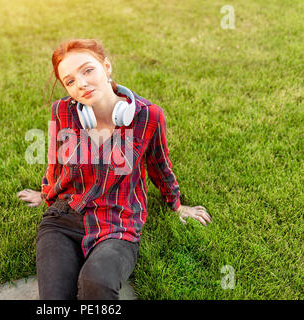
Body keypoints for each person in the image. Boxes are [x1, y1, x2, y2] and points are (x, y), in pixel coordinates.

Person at [17, 39, 212, 300]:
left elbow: (159, 165)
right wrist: (45, 192)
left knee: (96, 284)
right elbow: (55, 161)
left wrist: (176, 204)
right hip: (62, 219)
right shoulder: (63, 111)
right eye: (70, 81)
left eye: (88, 70)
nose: (81, 84)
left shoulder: (148, 116)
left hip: (119, 222)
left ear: (106, 67)